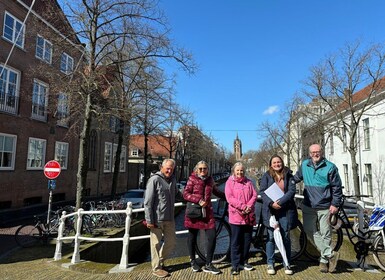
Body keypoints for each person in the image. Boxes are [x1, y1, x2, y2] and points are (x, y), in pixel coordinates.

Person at [294, 144, 343, 273]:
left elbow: (337, 188)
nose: (315, 154)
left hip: (325, 206)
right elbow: (295, 178)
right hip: (309, 205)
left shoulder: (330, 167)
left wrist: (335, 204)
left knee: (325, 233)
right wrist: (279, 181)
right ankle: (330, 254)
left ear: (322, 152)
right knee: (308, 229)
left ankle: (323, 261)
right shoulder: (305, 165)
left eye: (318, 152)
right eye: (313, 152)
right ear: (309, 154)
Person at [183, 161, 225, 275]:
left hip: (207, 213)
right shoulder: (192, 179)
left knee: (212, 237)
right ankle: (192, 261)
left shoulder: (210, 180)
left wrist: (228, 197)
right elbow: (185, 194)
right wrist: (198, 200)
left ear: (208, 170)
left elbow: (216, 192)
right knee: (192, 237)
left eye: (205, 168)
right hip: (195, 213)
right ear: (196, 169)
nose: (203, 171)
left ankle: (208, 264)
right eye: (200, 169)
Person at [259, 155, 297, 275]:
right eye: (274, 162)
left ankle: (287, 262)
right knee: (270, 237)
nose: (277, 164)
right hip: (271, 210)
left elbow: (291, 191)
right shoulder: (266, 176)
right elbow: (262, 191)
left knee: (285, 236)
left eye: (278, 162)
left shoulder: (289, 174)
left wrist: (280, 202)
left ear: (282, 163)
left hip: (285, 209)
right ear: (271, 164)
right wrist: (271, 203)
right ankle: (270, 263)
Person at [144, 158, 178, 278]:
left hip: (170, 217)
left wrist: (191, 199)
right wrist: (149, 220)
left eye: (171, 169)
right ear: (162, 168)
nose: (169, 170)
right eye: (167, 168)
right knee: (155, 244)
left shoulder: (173, 179)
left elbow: (177, 194)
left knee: (172, 241)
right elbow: (148, 202)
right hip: (157, 218)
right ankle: (156, 268)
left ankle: (161, 261)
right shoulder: (154, 180)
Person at [225, 162, 257, 275]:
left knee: (247, 240)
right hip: (236, 216)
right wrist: (243, 207)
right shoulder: (229, 182)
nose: (240, 172)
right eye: (237, 170)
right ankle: (235, 264)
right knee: (236, 241)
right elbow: (230, 198)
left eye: (241, 170)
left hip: (248, 216)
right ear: (234, 171)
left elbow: (254, 194)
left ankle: (244, 261)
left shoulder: (249, 182)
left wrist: (249, 206)